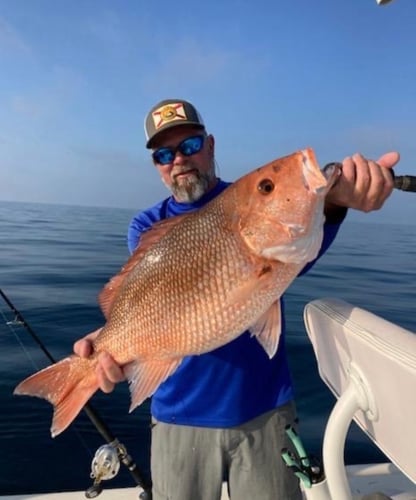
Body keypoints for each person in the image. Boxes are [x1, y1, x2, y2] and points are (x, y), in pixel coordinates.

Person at [74, 98, 399, 500]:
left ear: (210, 145)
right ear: (156, 166)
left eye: (190, 145)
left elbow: (299, 247)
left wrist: (334, 203)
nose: (178, 160)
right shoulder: (146, 227)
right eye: (164, 153)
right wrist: (115, 348)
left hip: (266, 411)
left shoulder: (248, 209)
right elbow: (151, 308)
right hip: (178, 417)